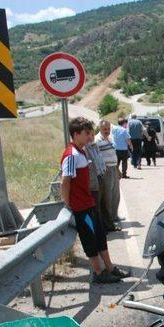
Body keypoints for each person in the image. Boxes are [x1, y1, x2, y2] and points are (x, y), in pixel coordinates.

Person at [60, 117, 130, 284]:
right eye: (86, 133)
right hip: (81, 207)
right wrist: (68, 202)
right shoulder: (71, 155)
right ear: (76, 134)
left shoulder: (81, 151)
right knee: (90, 240)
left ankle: (110, 268)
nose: (89, 137)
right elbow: (65, 181)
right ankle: (98, 273)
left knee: (100, 237)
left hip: (89, 203)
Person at [95, 120, 121, 231]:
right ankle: (108, 220)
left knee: (116, 194)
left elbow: (113, 154)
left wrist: (117, 169)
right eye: (105, 129)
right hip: (106, 171)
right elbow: (96, 157)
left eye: (108, 129)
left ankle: (114, 216)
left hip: (113, 168)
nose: (107, 131)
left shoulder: (110, 139)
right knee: (107, 196)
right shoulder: (97, 140)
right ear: (100, 129)